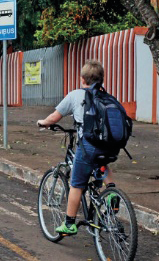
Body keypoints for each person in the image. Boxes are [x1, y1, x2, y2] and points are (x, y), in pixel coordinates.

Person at [37, 60, 119, 235]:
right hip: (110, 146)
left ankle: (69, 224)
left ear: (82, 79)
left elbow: (54, 117)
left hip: (88, 147)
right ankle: (111, 192)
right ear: (101, 79)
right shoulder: (107, 97)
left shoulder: (75, 95)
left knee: (76, 184)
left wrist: (42, 123)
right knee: (101, 162)